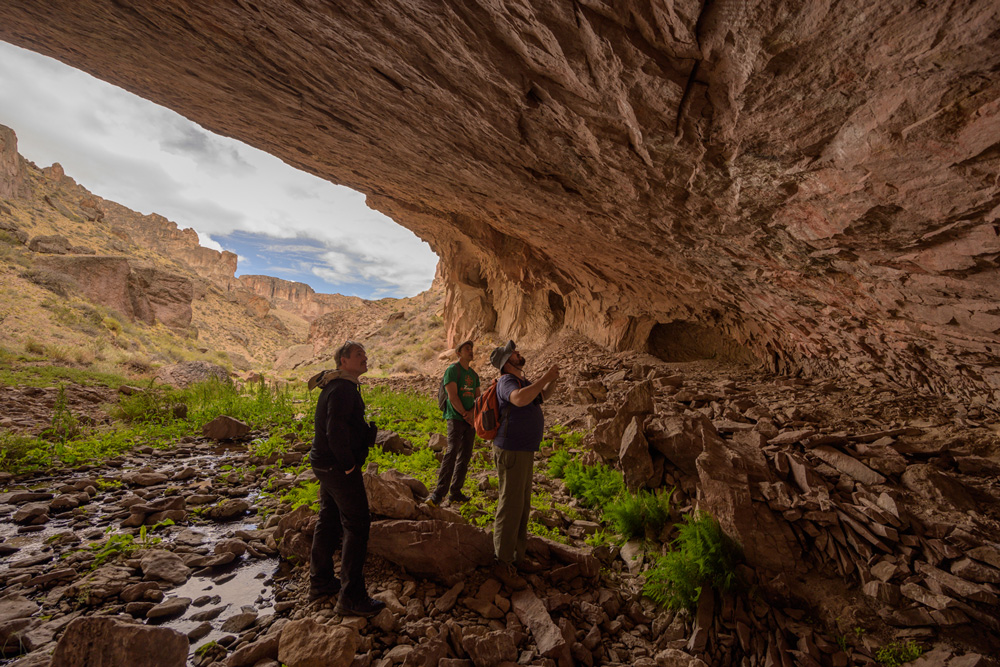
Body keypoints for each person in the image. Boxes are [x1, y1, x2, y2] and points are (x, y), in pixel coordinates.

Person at [307, 340, 386, 617]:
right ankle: (351, 597)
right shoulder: (342, 389)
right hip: (337, 467)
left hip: (325, 464)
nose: (365, 358)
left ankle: (320, 581)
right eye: (358, 355)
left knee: (328, 519)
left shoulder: (339, 385)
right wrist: (349, 465)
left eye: (365, 353)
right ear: (343, 361)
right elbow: (335, 430)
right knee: (357, 524)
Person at [489, 340, 559, 574]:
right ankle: (502, 561)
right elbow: (518, 399)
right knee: (510, 505)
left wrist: (552, 379)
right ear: (507, 362)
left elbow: (542, 396)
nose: (519, 354)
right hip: (512, 451)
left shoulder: (520, 381)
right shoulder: (507, 381)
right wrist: (544, 378)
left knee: (521, 505)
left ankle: (517, 557)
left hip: (522, 451)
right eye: (514, 353)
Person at [427, 340, 480, 507]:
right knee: (451, 453)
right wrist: (465, 414)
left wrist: (472, 415)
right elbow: (452, 396)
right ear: (458, 353)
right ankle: (438, 494)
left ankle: (455, 492)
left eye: (471, 349)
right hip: (455, 418)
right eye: (467, 349)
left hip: (470, 421)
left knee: (465, 456)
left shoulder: (473, 375)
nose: (470, 351)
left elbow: (478, 397)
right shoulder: (452, 370)